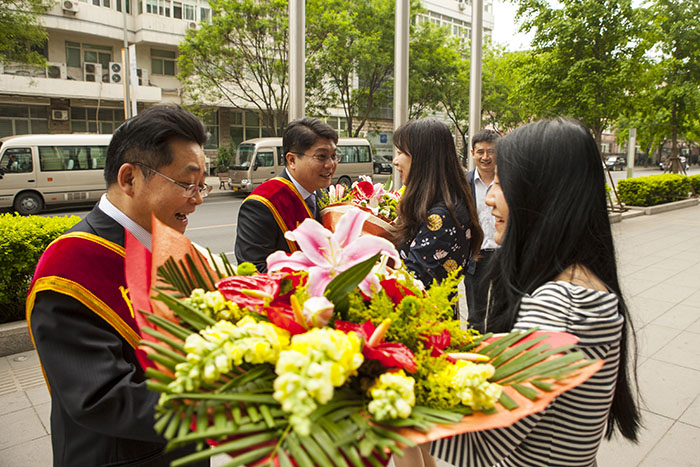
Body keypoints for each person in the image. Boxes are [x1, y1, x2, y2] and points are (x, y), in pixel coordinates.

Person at [427, 118, 641, 466]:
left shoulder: (560, 306)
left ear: (541, 193)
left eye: (501, 183)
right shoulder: (577, 282)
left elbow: (482, 445)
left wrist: (381, 395)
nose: (491, 199)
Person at [26, 105, 211, 466]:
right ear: (129, 179)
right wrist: (230, 408)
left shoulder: (169, 246)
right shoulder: (70, 265)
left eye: (201, 185)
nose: (198, 199)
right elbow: (102, 397)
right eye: (187, 184)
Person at [235, 117, 339, 272]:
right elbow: (254, 270)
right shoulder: (261, 204)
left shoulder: (322, 195)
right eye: (321, 156)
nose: (330, 164)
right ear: (292, 160)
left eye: (333, 156)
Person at [391, 118, 483, 289]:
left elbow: (409, 280)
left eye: (400, 152)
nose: (395, 161)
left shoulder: (442, 217)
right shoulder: (435, 204)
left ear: (422, 158)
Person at [464, 129, 500, 333]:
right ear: (472, 153)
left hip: (503, 254)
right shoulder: (463, 183)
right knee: (475, 316)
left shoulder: (509, 181)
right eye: (481, 152)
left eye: (491, 151)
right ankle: (476, 355)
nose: (485, 157)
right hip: (476, 257)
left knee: (501, 312)